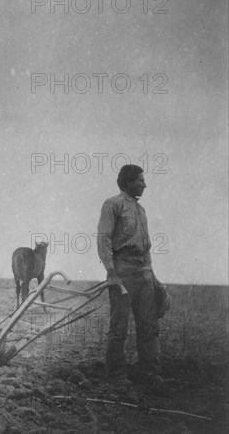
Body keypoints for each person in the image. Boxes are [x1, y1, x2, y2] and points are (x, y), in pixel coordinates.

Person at [97, 164, 169, 388]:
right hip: (123, 271)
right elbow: (103, 239)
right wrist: (111, 273)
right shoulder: (113, 204)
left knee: (148, 327)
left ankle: (151, 374)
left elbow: (146, 250)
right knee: (119, 327)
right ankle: (117, 377)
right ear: (128, 182)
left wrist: (156, 282)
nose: (144, 184)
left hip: (144, 272)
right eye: (140, 180)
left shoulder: (141, 210)